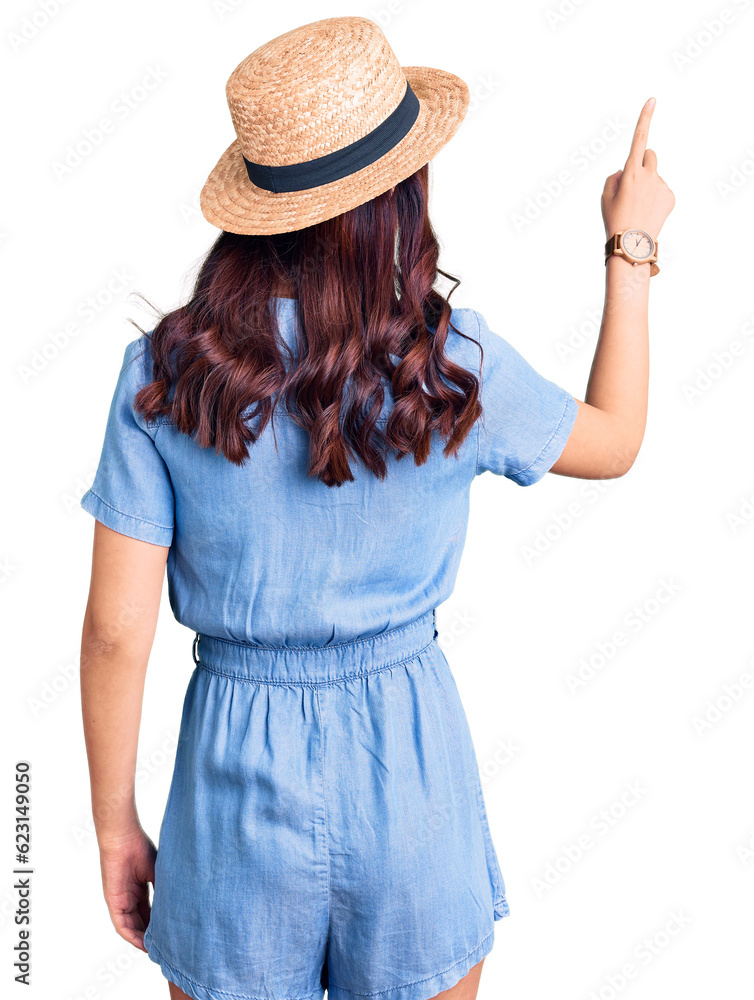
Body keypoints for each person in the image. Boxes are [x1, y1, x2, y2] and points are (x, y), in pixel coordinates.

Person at [78, 15, 675, 1000]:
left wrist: (112, 824)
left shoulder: (165, 374)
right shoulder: (448, 364)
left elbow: (112, 634)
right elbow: (614, 438)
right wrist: (630, 245)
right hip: (408, 762)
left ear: (256, 205)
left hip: (231, 771)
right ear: (403, 192)